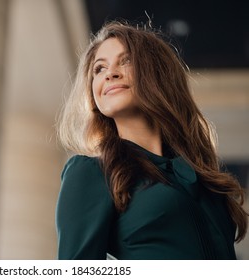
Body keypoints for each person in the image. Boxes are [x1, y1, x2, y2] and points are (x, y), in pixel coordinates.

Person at [55, 20, 248, 260]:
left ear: (157, 74)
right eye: (99, 69)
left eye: (125, 61)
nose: (110, 74)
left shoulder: (204, 178)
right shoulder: (93, 173)